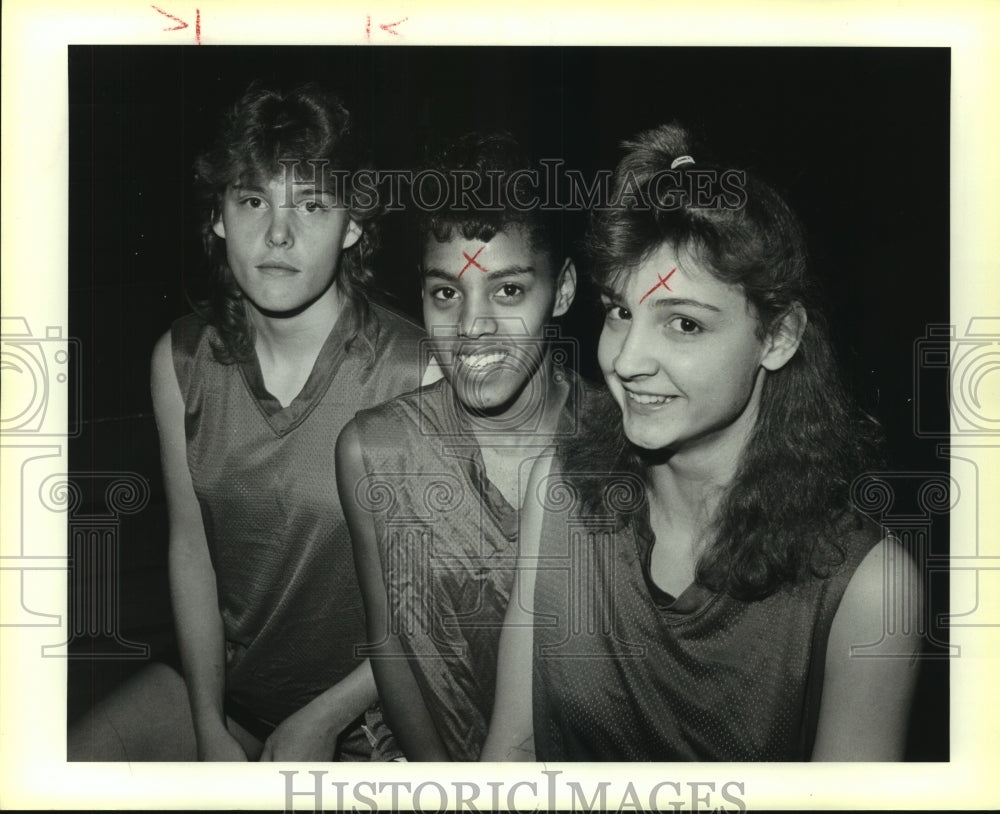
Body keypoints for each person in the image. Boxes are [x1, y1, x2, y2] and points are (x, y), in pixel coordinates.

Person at [482, 123, 922, 762]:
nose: (628, 359)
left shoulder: (868, 589)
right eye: (620, 311)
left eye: (683, 324)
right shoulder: (560, 493)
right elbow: (514, 748)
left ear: (779, 338)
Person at [68, 82, 427, 761]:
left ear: (353, 223)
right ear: (219, 216)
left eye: (312, 204)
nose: (279, 234)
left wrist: (326, 718)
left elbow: (436, 602)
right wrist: (208, 724)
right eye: (253, 200)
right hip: (232, 694)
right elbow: (191, 553)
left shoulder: (415, 371)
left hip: (370, 714)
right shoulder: (181, 359)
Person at [336, 133, 584, 760]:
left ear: (562, 290)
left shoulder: (616, 446)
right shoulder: (375, 451)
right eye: (446, 293)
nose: (472, 328)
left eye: (507, 291)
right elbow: (390, 640)